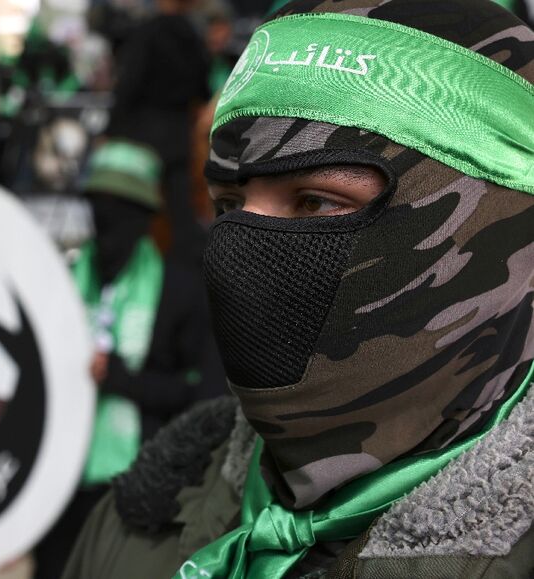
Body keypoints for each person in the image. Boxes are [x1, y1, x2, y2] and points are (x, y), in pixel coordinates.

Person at [62, 0, 534, 577]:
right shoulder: (137, 521)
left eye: (315, 201)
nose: (240, 247)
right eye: (229, 206)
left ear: (490, 220)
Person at [35, 140, 226, 578]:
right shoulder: (55, 285)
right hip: (54, 483)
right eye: (98, 204)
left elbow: (204, 397)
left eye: (120, 207)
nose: (106, 218)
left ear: (145, 217)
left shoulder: (180, 292)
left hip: (136, 489)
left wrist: (126, 381)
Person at [105, 0, 211, 262]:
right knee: (180, 208)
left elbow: (129, 83)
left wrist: (112, 129)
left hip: (145, 131)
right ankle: (189, 271)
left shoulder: (146, 33)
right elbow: (202, 83)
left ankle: (137, 265)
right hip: (177, 130)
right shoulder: (191, 34)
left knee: (139, 204)